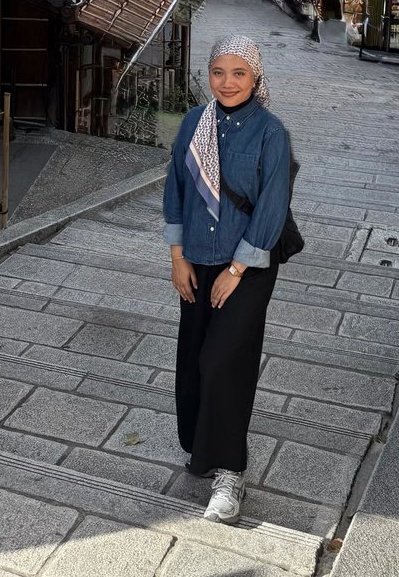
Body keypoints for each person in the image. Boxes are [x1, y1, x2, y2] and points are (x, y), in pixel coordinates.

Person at [163, 36, 290, 524]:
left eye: (239, 73)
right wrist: (177, 256)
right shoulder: (194, 123)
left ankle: (230, 474)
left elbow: (273, 207)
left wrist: (237, 270)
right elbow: (174, 188)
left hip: (250, 263)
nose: (228, 82)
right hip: (196, 256)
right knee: (194, 358)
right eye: (219, 71)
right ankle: (201, 448)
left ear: (255, 77)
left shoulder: (270, 132)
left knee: (224, 362)